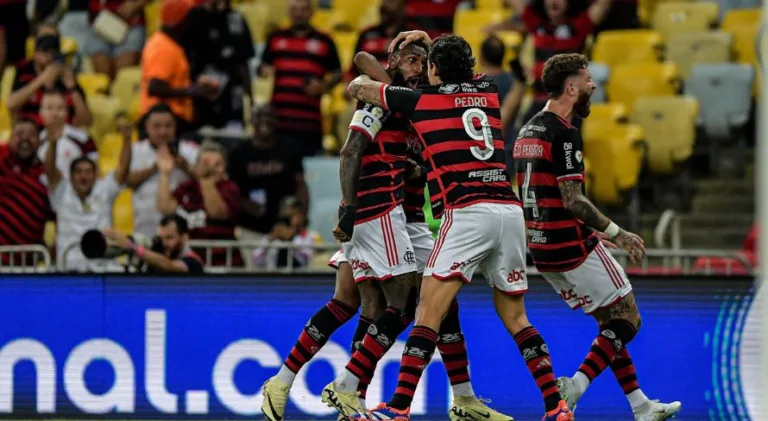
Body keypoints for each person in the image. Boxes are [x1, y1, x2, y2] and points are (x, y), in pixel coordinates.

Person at [344, 32, 573, 421]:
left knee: (427, 313)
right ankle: (556, 405)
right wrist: (430, 42)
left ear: (432, 68)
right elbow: (456, 70)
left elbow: (357, 84)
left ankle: (399, 407)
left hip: (467, 212)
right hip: (509, 211)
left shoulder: (421, 102)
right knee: (517, 317)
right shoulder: (488, 92)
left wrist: (397, 62)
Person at [324, 40, 513, 421]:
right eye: (410, 58)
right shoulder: (450, 94)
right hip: (388, 216)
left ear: (435, 71)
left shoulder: (418, 100)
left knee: (434, 308)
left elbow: (360, 76)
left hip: (415, 219)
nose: (418, 65)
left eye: (424, 61)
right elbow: (360, 61)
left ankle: (459, 398)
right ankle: (352, 390)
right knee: (398, 305)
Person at [510, 53, 682, 421]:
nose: (593, 86)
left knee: (609, 324)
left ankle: (641, 406)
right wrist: (617, 233)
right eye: (587, 80)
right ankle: (578, 384)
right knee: (628, 319)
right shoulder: (564, 133)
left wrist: (586, 229)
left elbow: (544, 194)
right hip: (570, 247)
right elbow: (573, 199)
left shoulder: (527, 130)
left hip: (542, 248)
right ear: (571, 87)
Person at [499, 0, 611, 130]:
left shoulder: (578, 27)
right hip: (538, 104)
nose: (553, 2)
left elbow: (603, 4)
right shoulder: (536, 24)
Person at [44, 117, 131, 272]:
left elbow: (123, 170)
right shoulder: (61, 192)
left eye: (88, 172)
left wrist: (127, 138)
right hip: (68, 269)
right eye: (78, 172)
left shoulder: (104, 190)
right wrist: (53, 143)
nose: (83, 176)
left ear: (95, 174)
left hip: (102, 269)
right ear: (70, 176)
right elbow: (50, 169)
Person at [259, 0, 342, 156]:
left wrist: (323, 86)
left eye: (303, 9)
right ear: (288, 12)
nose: (299, 13)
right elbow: (262, 67)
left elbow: (338, 74)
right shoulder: (275, 38)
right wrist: (264, 70)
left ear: (311, 12)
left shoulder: (325, 41)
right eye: (295, 9)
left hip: (309, 122)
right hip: (279, 120)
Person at [228, 104, 309, 250]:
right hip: (250, 229)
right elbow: (230, 191)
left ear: (277, 120)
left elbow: (300, 185)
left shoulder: (290, 148)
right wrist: (244, 204)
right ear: (251, 120)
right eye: (259, 116)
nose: (264, 120)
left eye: (269, 116)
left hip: (285, 229)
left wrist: (301, 214)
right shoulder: (238, 154)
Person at [157, 140, 241, 267]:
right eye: (205, 163)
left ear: (225, 169)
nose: (211, 169)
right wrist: (165, 173)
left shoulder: (229, 187)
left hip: (221, 264)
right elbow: (165, 208)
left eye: (217, 165)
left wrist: (205, 179)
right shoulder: (188, 187)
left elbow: (217, 213)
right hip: (189, 262)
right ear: (197, 165)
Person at [140, 0, 219, 133]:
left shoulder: (171, 44)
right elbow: (155, 87)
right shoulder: (163, 47)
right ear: (179, 22)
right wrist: (193, 91)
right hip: (161, 122)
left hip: (170, 119)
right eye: (190, 18)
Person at [127, 104, 199, 238]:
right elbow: (128, 181)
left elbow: (204, 178)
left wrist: (183, 165)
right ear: (147, 128)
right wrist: (155, 167)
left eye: (168, 126)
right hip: (145, 226)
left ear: (175, 127)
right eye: (157, 126)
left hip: (182, 229)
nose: (163, 131)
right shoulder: (135, 150)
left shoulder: (190, 150)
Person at [181, 0, 255, 129]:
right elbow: (183, 58)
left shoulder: (236, 19)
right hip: (201, 97)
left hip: (231, 99)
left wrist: (250, 96)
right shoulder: (194, 17)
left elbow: (243, 61)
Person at [7, 27, 92, 127]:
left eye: (53, 52)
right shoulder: (23, 71)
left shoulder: (66, 75)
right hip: (31, 131)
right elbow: (11, 104)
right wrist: (41, 80)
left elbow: (87, 121)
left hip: (61, 134)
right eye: (45, 51)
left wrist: (71, 87)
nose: (49, 56)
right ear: (35, 54)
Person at [0, 120, 54, 254]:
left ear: (40, 142)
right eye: (19, 134)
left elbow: (61, 216)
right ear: (10, 139)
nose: (25, 138)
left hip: (28, 264)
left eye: (31, 135)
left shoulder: (48, 176)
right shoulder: (2, 160)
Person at [102, 213, 204, 273]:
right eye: (161, 238)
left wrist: (131, 246)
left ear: (184, 238)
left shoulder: (193, 261)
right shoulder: (156, 253)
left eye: (169, 238)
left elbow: (169, 266)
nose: (164, 243)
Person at [37, 90, 99, 181]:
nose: (55, 113)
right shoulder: (36, 140)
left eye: (60, 108)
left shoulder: (82, 138)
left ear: (66, 112)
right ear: (40, 112)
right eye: (49, 108)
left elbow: (96, 171)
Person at [84, 0, 148, 78]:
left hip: (132, 24)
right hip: (100, 23)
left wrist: (136, 4)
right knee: (102, 71)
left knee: (123, 73)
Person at [348, 0, 407, 79]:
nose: (383, 5)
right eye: (383, 1)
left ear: (402, 7)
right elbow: (352, 72)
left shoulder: (411, 36)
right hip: (368, 87)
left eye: (390, 1)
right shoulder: (366, 35)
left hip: (399, 89)